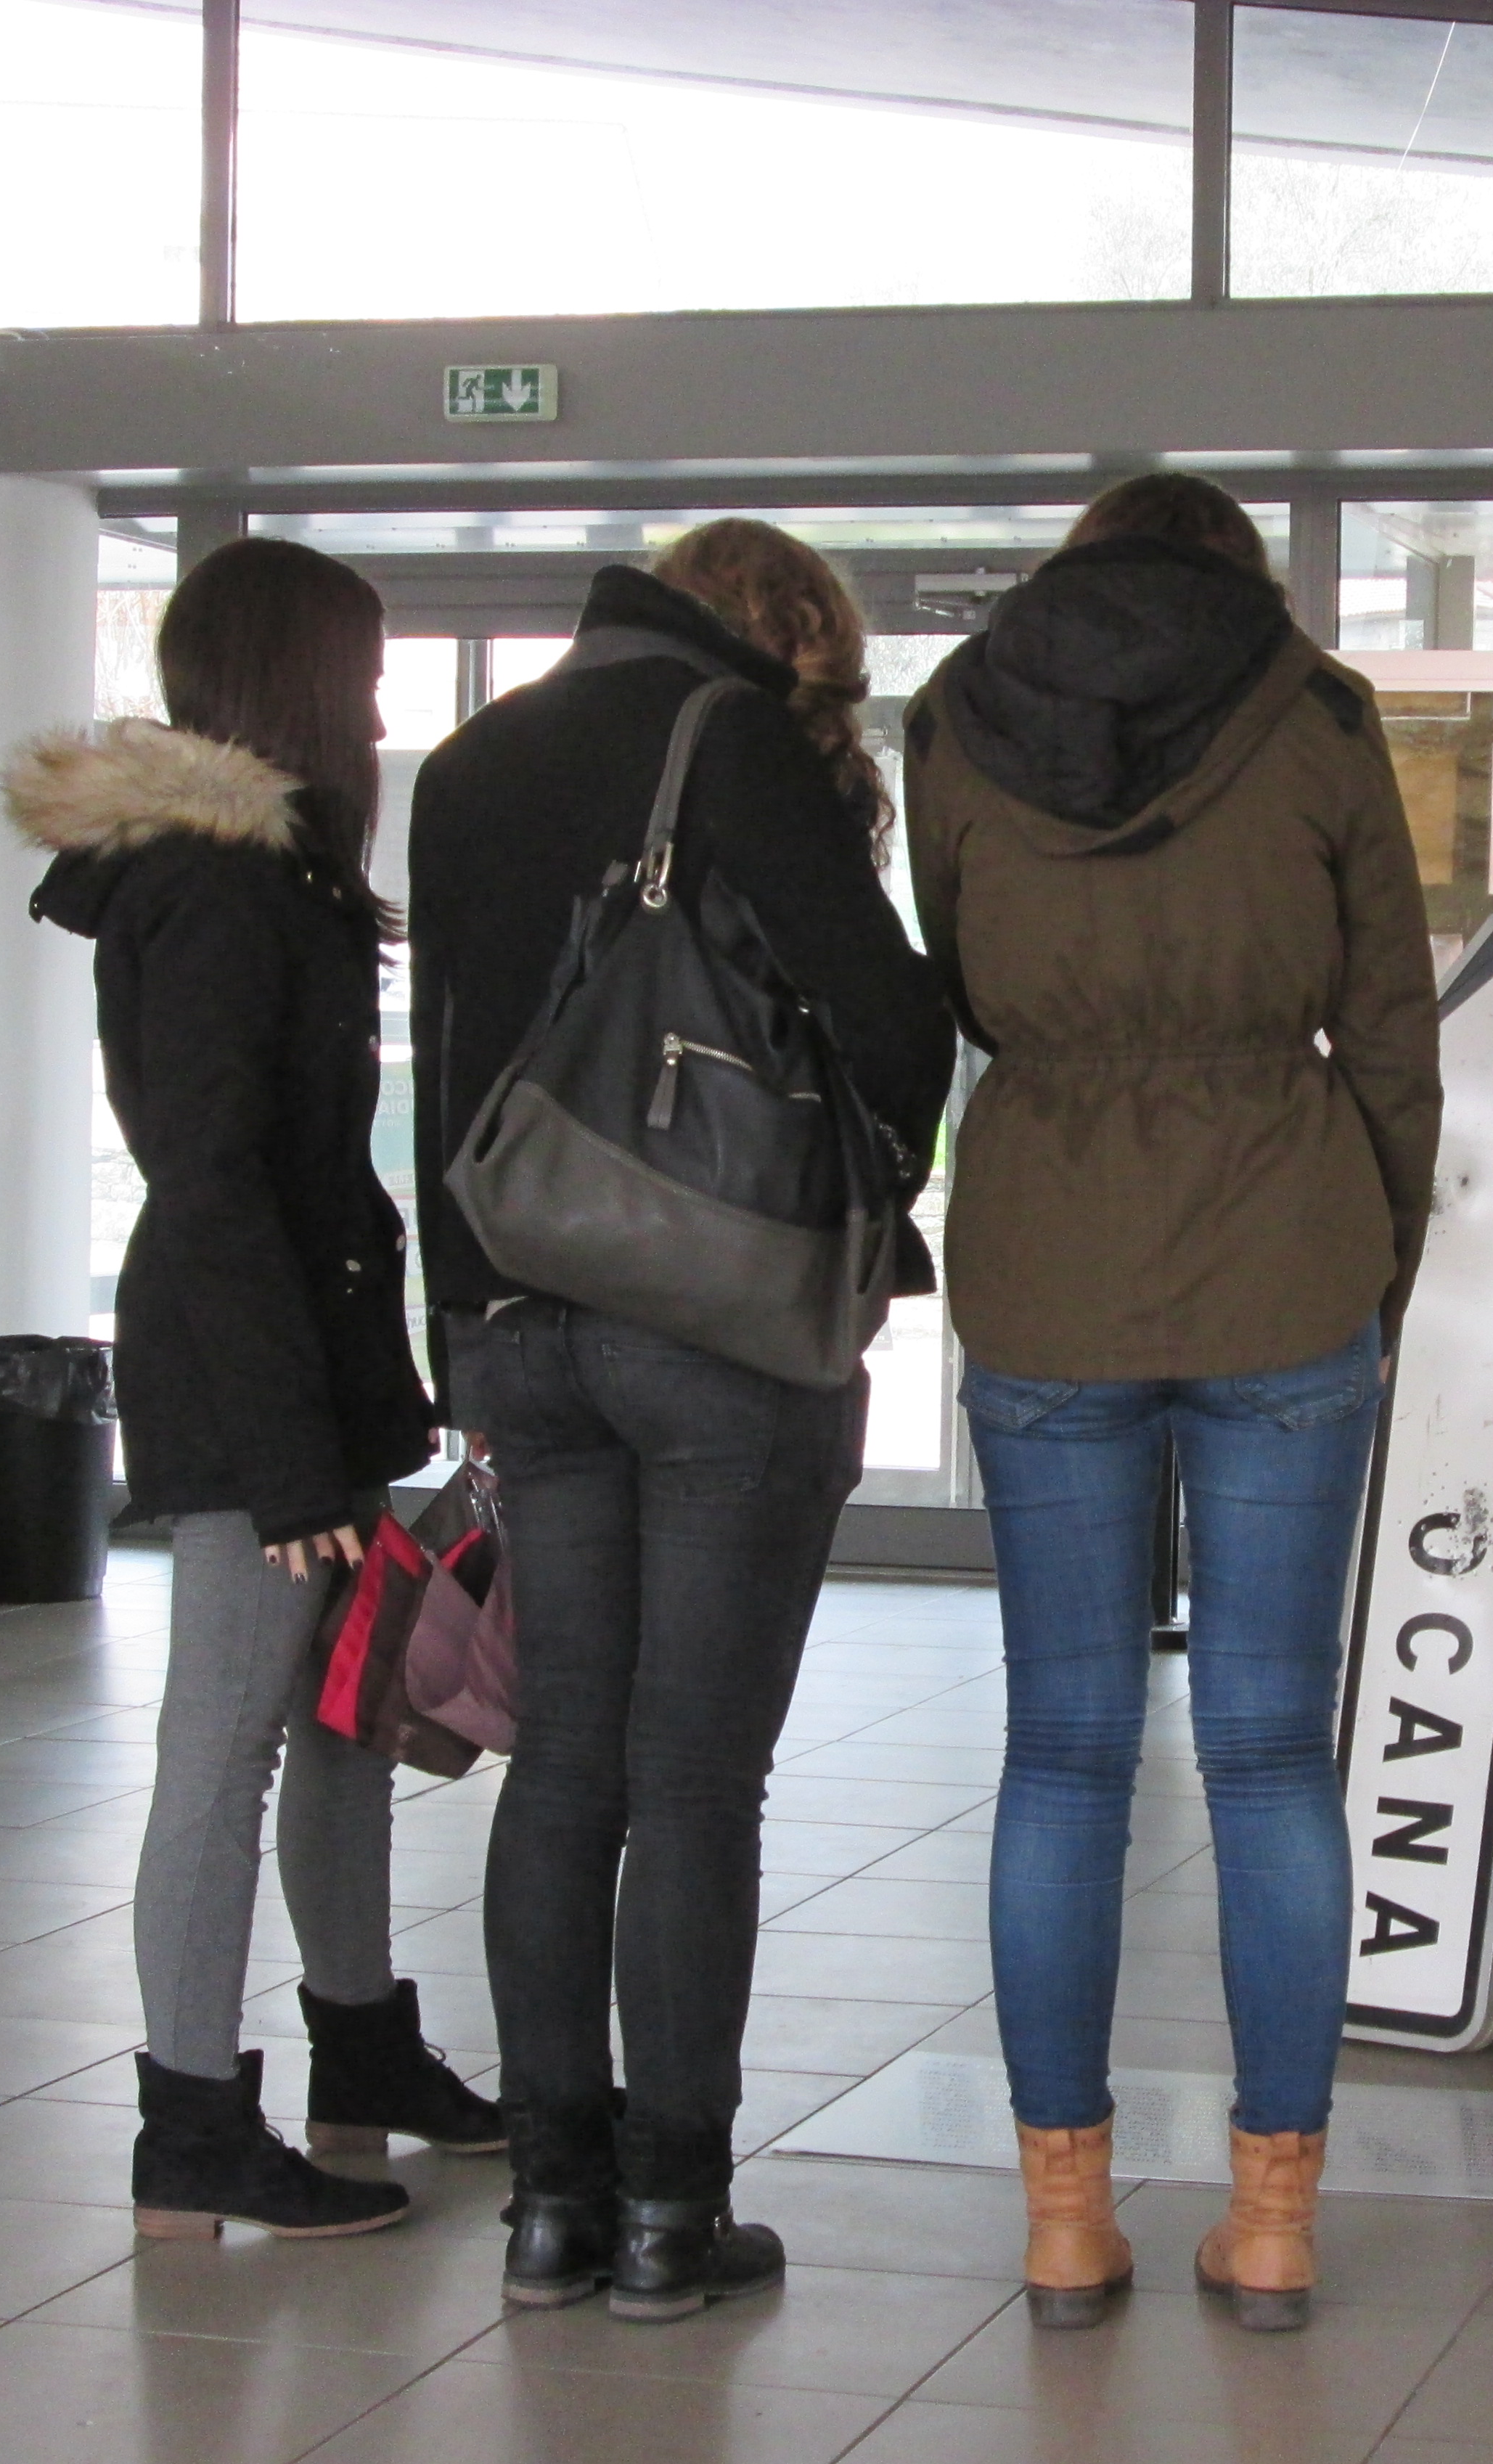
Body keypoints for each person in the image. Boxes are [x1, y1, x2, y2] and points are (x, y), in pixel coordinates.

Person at [903, 474, 1439, 2333]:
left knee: (1062, 1750)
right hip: (1285, 1247)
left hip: (1048, 1251)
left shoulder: (957, 716)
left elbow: (961, 985)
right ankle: (1275, 2219)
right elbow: (1387, 1016)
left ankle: (1065, 2220)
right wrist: (1378, 1254)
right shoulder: (1319, 715)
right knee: (1272, 1752)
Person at [410, 522, 954, 2320]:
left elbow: (446, 1059)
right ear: (781, 640)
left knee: (565, 1760)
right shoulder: (722, 743)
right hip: (712, 1319)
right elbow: (890, 1020)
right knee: (696, 1775)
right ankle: (670, 2214)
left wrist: (462, 1323)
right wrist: (870, 1180)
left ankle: (549, 2204)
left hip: (520, 1314)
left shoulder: (478, 752)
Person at [9, 536, 504, 2242]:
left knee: (348, 1721)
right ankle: (191, 2119)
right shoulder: (217, 884)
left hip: (303, 1359)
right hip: (245, 1383)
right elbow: (211, 1181)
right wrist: (296, 1464)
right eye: (362, 675)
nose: (377, 707)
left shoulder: (269, 869)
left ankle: (362, 2050)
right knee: (224, 1748)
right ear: (297, 679)